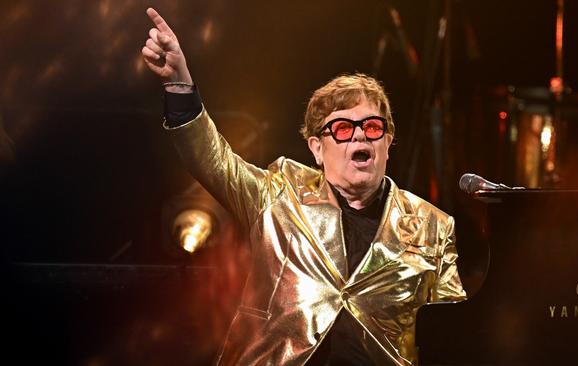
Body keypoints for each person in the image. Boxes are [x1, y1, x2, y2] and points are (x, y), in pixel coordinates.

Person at [142, 7, 466, 366]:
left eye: (372, 127)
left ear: (388, 142)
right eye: (342, 129)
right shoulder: (279, 195)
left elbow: (450, 336)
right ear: (317, 148)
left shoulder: (434, 227)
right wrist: (179, 86)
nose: (359, 134)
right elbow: (214, 162)